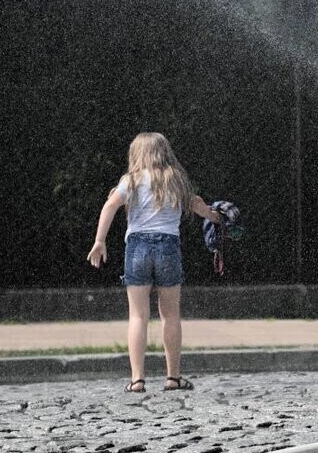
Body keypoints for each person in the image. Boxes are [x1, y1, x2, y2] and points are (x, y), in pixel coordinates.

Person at [87, 132, 220, 393]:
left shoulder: (131, 180)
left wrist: (100, 241)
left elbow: (110, 205)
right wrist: (215, 217)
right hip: (168, 246)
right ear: (165, 152)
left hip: (137, 246)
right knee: (170, 314)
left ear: (137, 154)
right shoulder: (175, 178)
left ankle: (137, 380)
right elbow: (197, 206)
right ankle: (173, 378)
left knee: (138, 315)